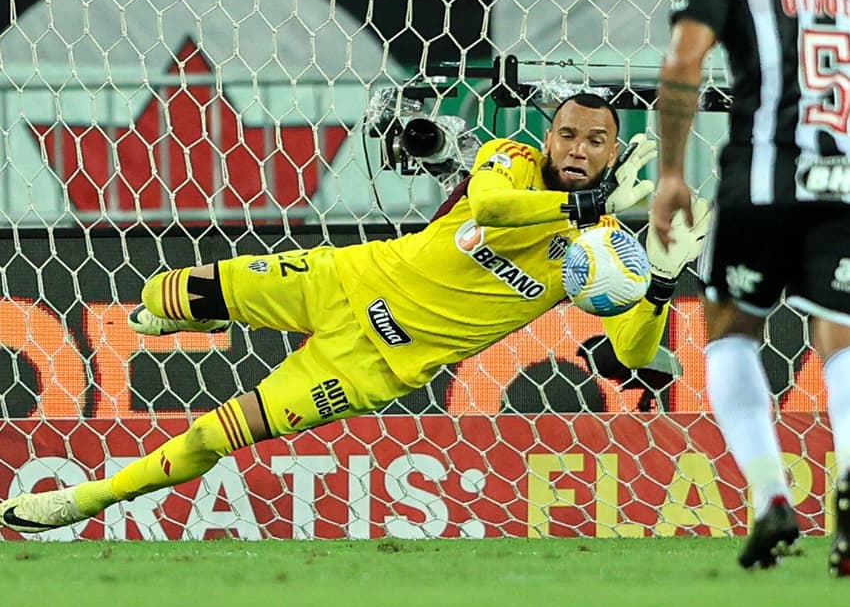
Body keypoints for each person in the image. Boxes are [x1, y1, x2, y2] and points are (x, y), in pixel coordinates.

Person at [0, 92, 709, 535]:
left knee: (215, 436)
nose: (577, 149)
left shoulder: (604, 251)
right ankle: (207, 312)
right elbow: (492, 210)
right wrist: (589, 203)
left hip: (371, 365)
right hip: (344, 279)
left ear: (616, 149)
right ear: (548, 138)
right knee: (161, 295)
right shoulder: (512, 161)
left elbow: (636, 354)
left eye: (595, 140)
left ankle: (86, 499)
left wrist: (662, 280)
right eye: (568, 135)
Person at [651, 0, 850, 573]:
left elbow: (683, 63)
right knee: (841, 336)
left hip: (759, 184)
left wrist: (672, 173)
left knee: (731, 334)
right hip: (844, 185)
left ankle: (770, 496)